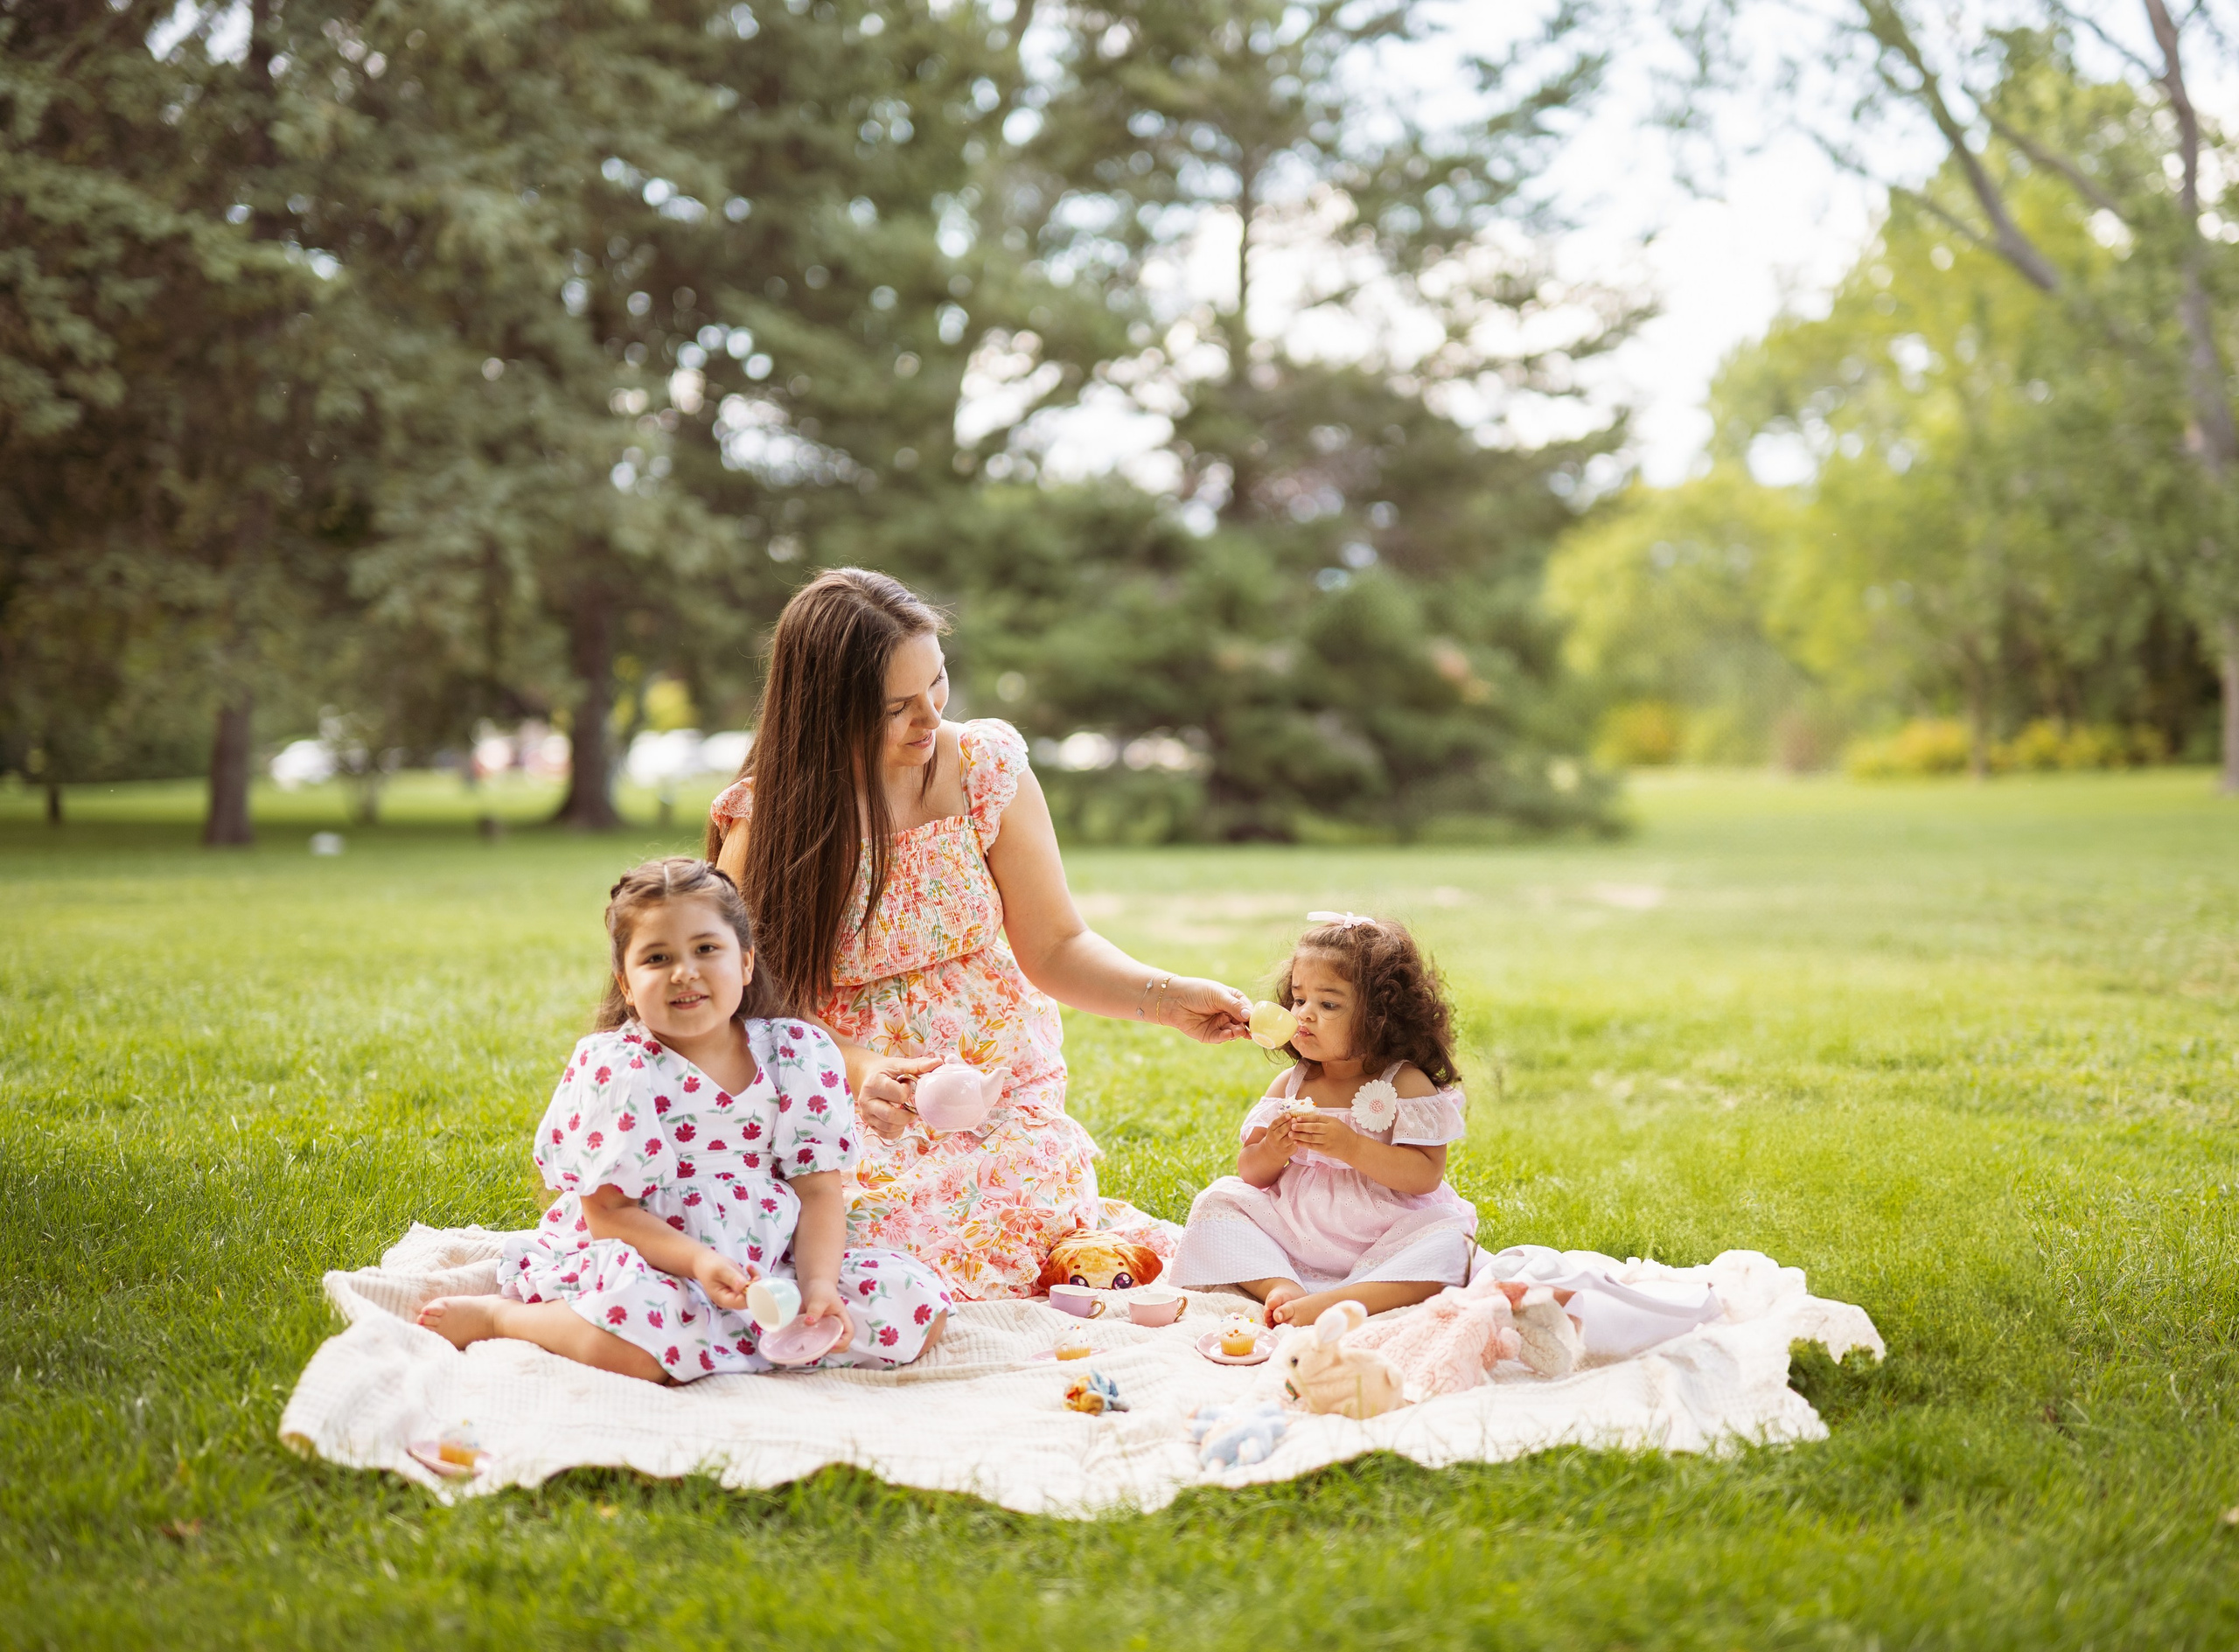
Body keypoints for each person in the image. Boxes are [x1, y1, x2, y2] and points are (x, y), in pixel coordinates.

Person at [707, 568, 1251, 1300]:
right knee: (856, 1225)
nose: (929, 720)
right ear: (825, 713)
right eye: (896, 708)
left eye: (937, 685)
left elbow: (1056, 945)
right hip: (846, 1092)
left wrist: (1165, 996)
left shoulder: (985, 770)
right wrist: (865, 1071)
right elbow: (752, 1005)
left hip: (994, 1089)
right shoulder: (770, 822)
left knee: (1025, 1205)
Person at [417, 857, 949, 1378]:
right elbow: (609, 1212)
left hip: (769, 1265)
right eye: (656, 958)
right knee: (638, 1344)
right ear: (626, 984)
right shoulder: (619, 1069)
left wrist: (818, 1289)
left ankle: (751, 1337)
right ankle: (504, 1318)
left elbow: (817, 1191)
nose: (684, 971)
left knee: (918, 1309)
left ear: (745, 962)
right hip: (653, 1260)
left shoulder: (796, 1052)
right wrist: (697, 1262)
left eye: (705, 948)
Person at [1168, 913, 1479, 1328]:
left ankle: (1348, 1298)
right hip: (1296, 1232)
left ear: (1380, 1017)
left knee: (1451, 1246)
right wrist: (1272, 1150)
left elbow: (1425, 1175)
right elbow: (1251, 1174)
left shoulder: (1405, 1083)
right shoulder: (1291, 1084)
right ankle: (1281, 1284)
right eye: (1298, 999)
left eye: (1328, 1004)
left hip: (1385, 1232)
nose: (1304, 1014)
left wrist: (1351, 1147)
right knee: (1217, 1202)